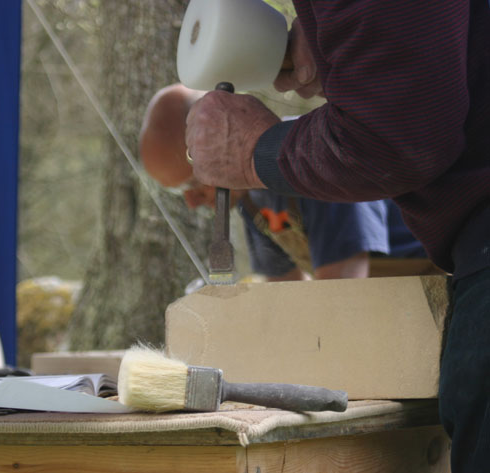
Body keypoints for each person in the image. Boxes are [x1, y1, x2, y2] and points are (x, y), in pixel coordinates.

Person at [183, 4, 489, 471]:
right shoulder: (260, 207)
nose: (192, 201)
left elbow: (395, 138)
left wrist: (253, 153)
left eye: (192, 175)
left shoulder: (314, 189)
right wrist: (343, 42)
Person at [140, 84, 436, 282]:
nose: (191, 203)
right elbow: (284, 290)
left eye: (193, 183)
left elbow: (343, 289)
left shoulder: (309, 157)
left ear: (216, 141)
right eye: (177, 192)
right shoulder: (251, 202)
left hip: (444, 276)